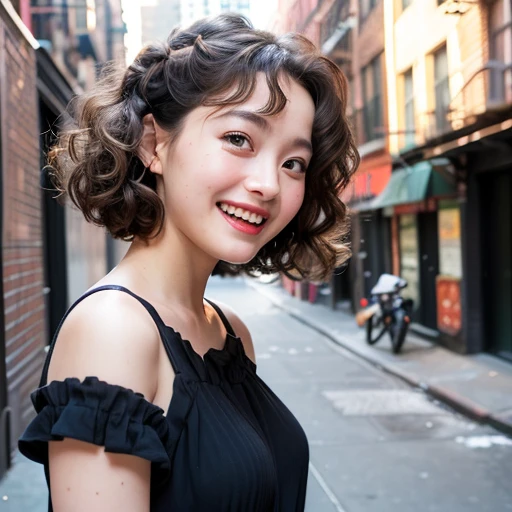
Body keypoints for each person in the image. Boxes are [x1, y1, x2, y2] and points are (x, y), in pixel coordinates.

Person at [19, 13, 358, 512]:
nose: (269, 183)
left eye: (294, 163)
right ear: (154, 144)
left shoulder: (231, 333)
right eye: (239, 139)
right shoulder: (112, 330)